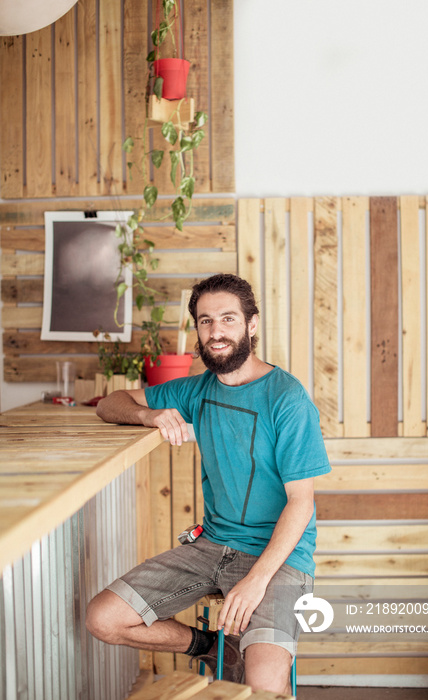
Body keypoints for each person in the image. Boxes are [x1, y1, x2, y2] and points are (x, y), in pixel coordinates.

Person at [86, 273, 331, 694]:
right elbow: (110, 403)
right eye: (205, 321)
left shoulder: (287, 399)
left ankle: (241, 650)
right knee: (102, 618)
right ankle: (210, 645)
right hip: (211, 547)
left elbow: (301, 504)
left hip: (279, 557)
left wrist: (256, 580)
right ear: (197, 329)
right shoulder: (194, 391)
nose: (216, 332)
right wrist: (150, 415)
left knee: (264, 686)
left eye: (228, 319)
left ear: (251, 325)